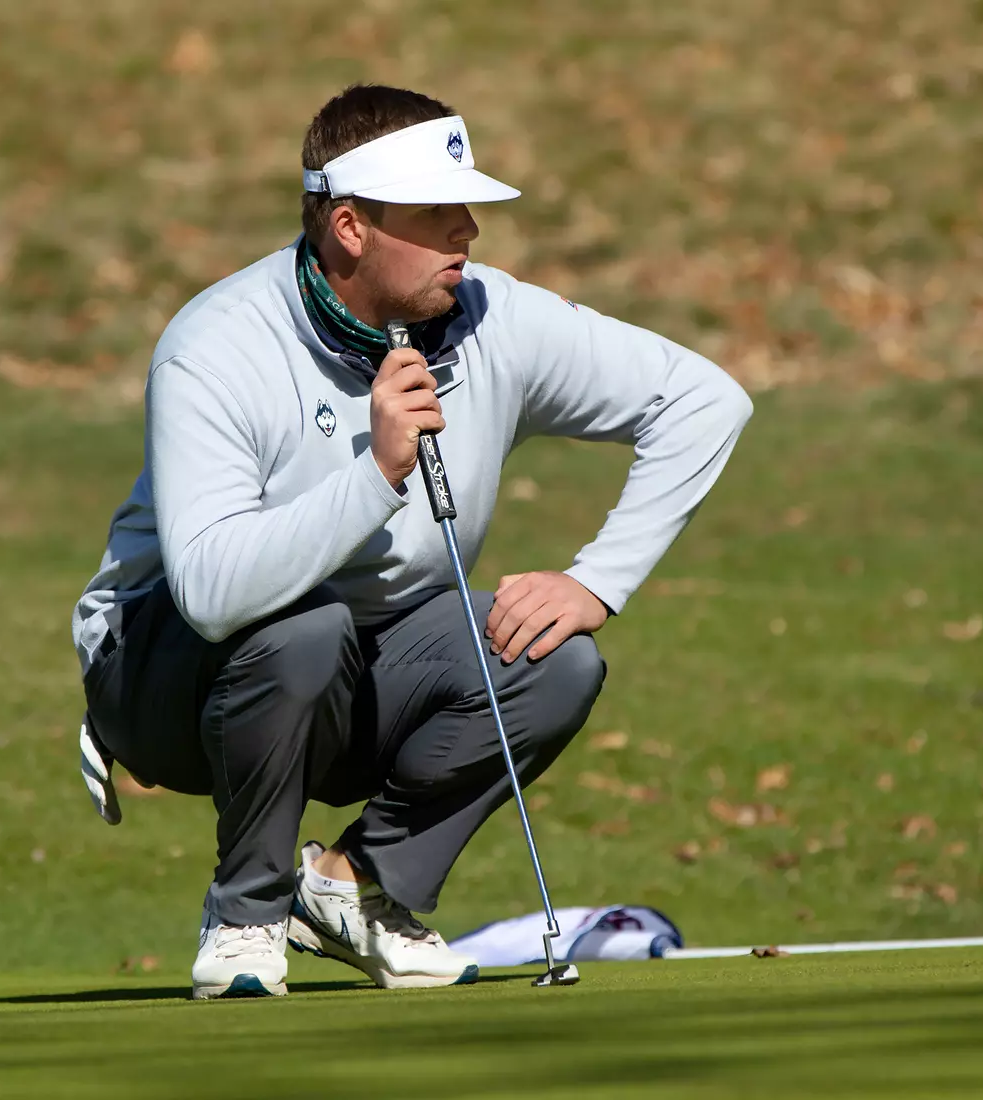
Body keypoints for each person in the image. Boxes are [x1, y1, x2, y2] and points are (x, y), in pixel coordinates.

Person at [71, 84, 753, 1000]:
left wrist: (599, 580)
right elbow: (211, 591)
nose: (468, 230)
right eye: (438, 214)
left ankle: (353, 886)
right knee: (302, 630)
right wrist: (375, 476)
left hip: (358, 668)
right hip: (163, 679)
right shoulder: (218, 343)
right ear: (349, 227)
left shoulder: (490, 318)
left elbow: (704, 400)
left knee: (553, 662)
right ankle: (246, 917)